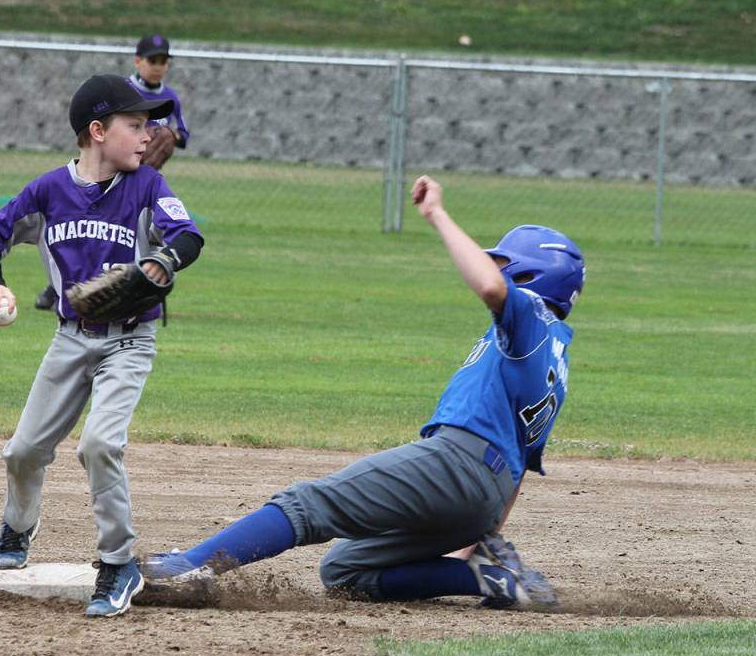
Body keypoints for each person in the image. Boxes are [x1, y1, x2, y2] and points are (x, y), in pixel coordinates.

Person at [144, 175, 584, 609]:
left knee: (308, 504)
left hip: (456, 463)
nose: (497, 269)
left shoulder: (530, 314)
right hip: (482, 496)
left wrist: (437, 214)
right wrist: (482, 537)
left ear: (532, 274)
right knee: (344, 570)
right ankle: (489, 579)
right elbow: (520, 469)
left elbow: (491, 287)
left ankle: (187, 566)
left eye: (505, 263)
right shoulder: (555, 359)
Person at [0, 74, 205, 618]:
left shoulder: (147, 187)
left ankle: (119, 564)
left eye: (150, 125)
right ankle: (18, 527)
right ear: (97, 131)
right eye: (135, 125)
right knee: (23, 451)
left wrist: (163, 260)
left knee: (98, 444)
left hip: (130, 341)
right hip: (70, 338)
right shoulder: (49, 192)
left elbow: (188, 236)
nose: (148, 137)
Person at [35, 33, 191, 312]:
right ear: (138, 60)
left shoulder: (170, 98)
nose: (159, 65)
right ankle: (59, 286)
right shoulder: (122, 92)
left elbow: (183, 136)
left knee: (143, 234)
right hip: (108, 174)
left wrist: (164, 137)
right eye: (153, 59)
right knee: (81, 230)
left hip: (141, 175)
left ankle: (141, 293)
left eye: (164, 60)